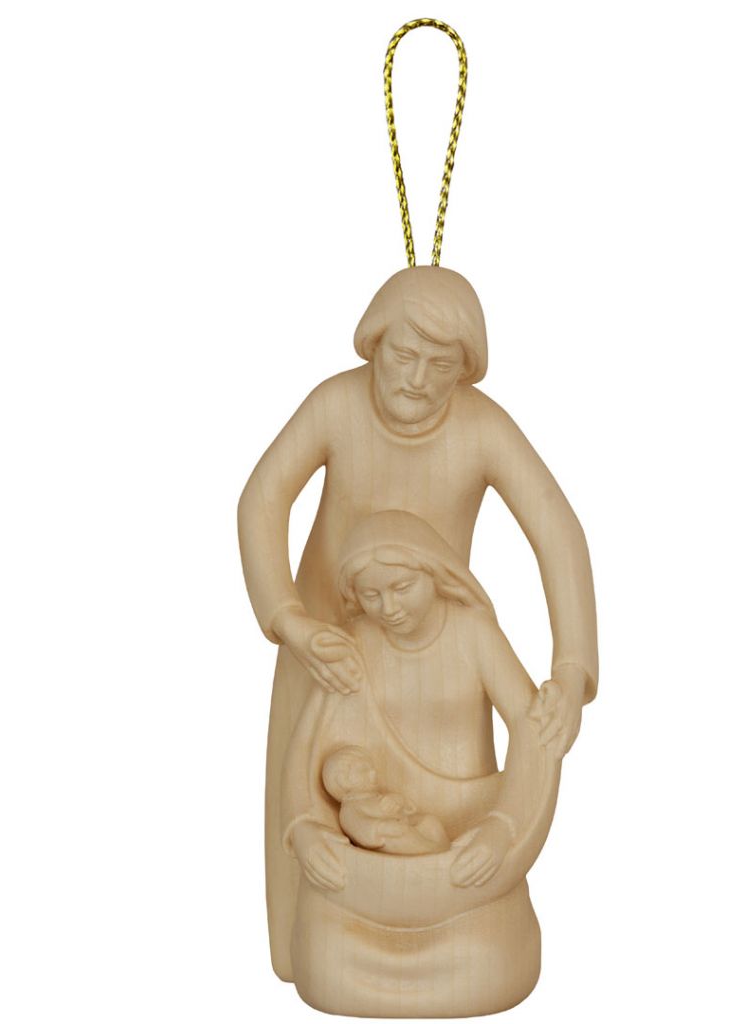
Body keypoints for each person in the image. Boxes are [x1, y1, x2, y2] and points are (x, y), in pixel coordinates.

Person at [238, 265, 597, 979]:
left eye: (441, 365)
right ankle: (311, 949)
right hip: (326, 642)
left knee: (452, 817)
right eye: (404, 355)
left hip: (446, 652)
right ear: (374, 342)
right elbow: (262, 498)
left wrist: (570, 670)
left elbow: (556, 530)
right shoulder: (337, 405)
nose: (417, 379)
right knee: (309, 798)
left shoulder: (481, 426)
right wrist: (289, 620)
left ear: (466, 369)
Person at [321, 745, 451, 856]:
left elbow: (407, 808)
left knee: (429, 820)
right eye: (364, 770)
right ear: (343, 780)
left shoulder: (375, 796)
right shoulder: (350, 809)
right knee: (402, 833)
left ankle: (442, 847)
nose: (373, 773)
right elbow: (360, 827)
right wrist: (382, 827)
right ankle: (429, 851)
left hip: (403, 822)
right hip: (391, 834)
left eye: (372, 769)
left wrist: (398, 801)